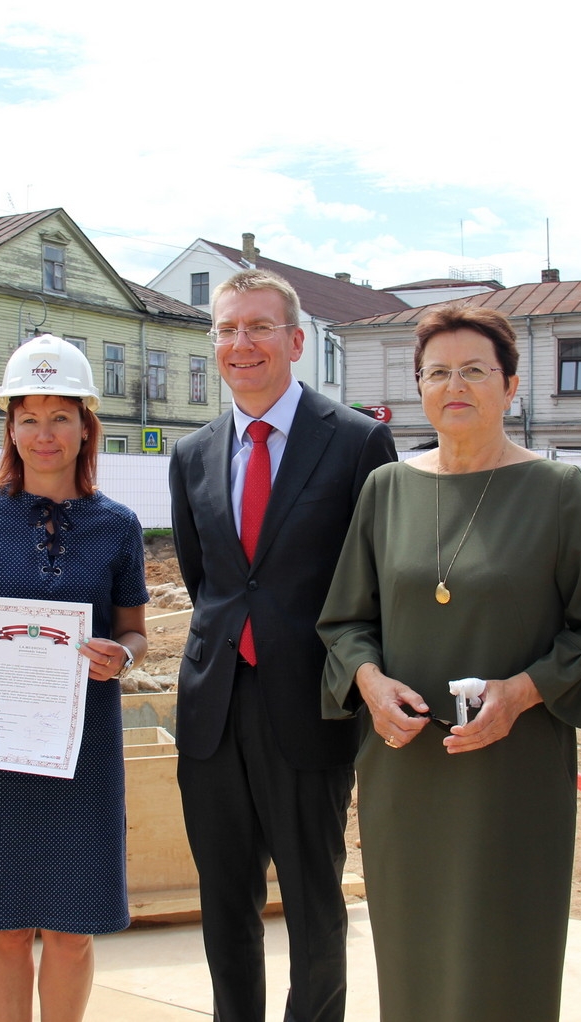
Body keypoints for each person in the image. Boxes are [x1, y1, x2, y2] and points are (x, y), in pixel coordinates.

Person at [317, 303, 581, 1022]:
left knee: (507, 954)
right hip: (405, 764)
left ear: (512, 385)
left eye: (475, 370)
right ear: (420, 388)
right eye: (437, 372)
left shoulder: (558, 491)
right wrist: (370, 683)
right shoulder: (386, 489)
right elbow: (344, 622)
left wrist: (520, 693)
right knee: (413, 955)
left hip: (514, 769)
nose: (455, 385)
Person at [169, 268, 395, 1021]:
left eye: (259, 327)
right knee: (225, 906)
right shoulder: (193, 452)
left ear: (296, 340)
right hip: (213, 714)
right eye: (228, 330)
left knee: (313, 907)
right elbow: (209, 582)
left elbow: (376, 583)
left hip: (311, 710)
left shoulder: (360, 442)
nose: (242, 344)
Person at [0, 334, 149, 1022]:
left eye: (61, 417)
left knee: (71, 926)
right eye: (29, 417)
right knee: (4, 922)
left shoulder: (118, 526)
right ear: (10, 427)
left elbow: (134, 628)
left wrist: (126, 656)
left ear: (87, 427)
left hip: (81, 750)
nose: (44, 434)